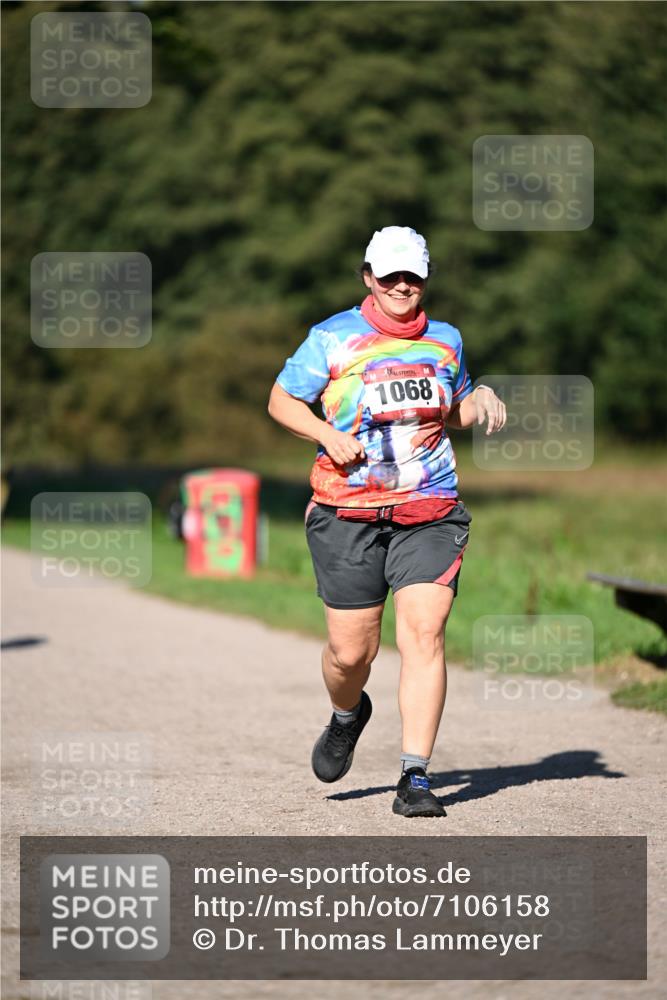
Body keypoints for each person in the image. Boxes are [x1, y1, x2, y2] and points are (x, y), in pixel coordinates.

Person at [268, 226, 506, 817]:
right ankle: (348, 713)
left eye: (413, 276)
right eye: (391, 275)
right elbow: (281, 400)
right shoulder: (332, 338)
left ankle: (415, 776)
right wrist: (325, 433)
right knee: (352, 656)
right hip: (347, 511)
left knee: (424, 632)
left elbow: (455, 406)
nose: (403, 286)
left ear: (425, 278)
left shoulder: (445, 340)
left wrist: (486, 398)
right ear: (369, 277)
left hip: (429, 509)